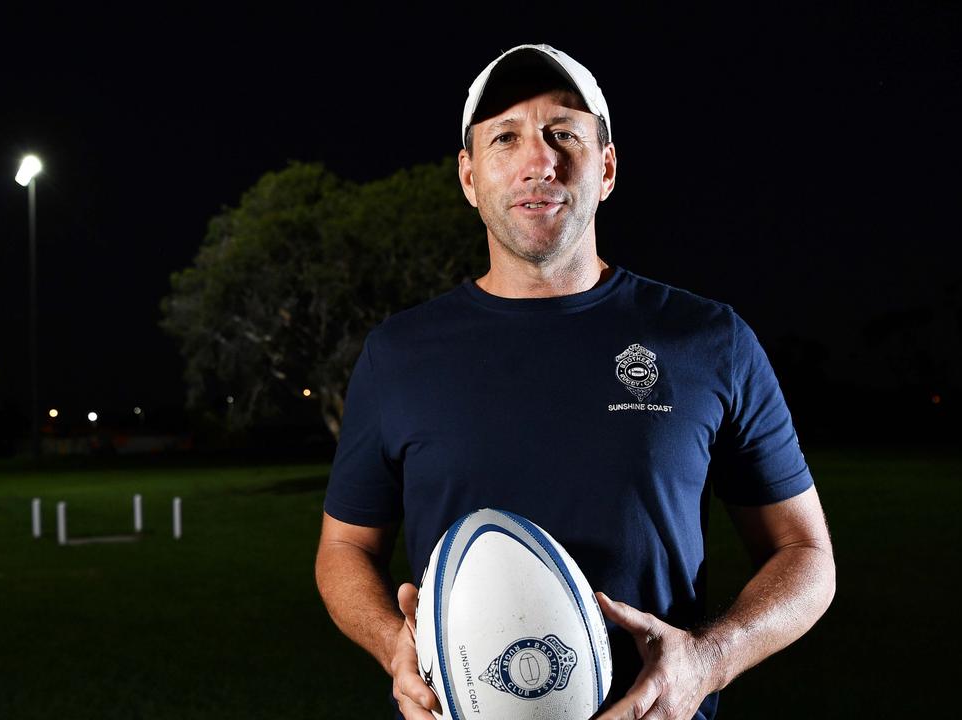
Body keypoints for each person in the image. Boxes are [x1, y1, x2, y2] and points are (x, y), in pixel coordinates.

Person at [314, 44, 835, 720]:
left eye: (564, 132)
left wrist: (710, 660)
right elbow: (344, 549)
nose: (540, 161)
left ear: (608, 167)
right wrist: (393, 645)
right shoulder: (399, 354)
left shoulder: (708, 339)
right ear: (470, 178)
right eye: (506, 138)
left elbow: (805, 553)